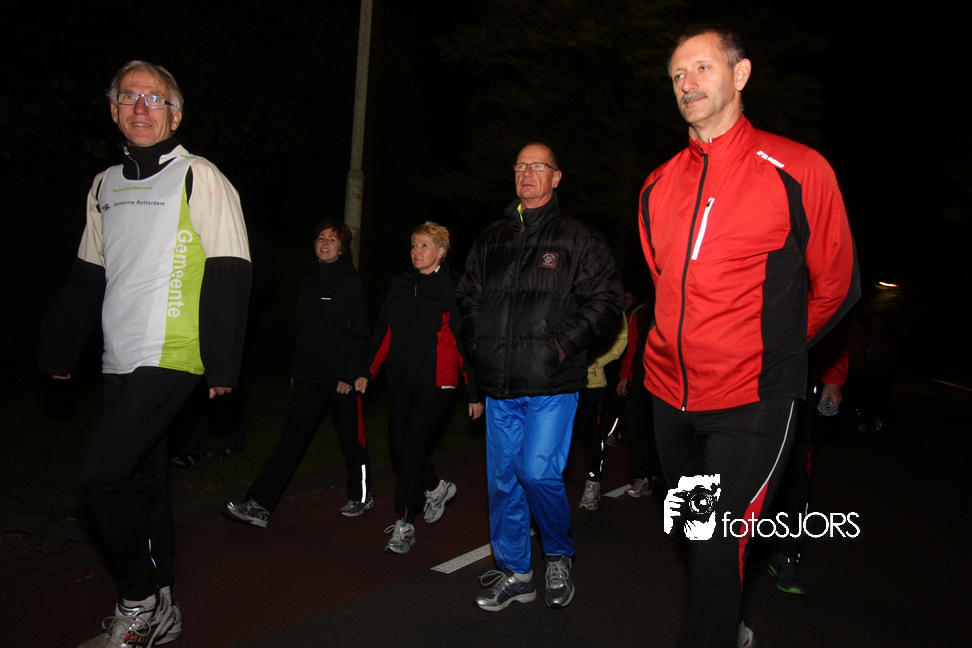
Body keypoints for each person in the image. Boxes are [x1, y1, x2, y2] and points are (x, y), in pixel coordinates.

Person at [637, 26, 860, 647]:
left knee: (716, 542)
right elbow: (664, 285)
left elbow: (836, 284)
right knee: (695, 533)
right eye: (677, 75)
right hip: (669, 397)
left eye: (702, 68)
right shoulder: (656, 185)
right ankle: (727, 623)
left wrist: (771, 348)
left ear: (740, 75)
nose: (687, 84)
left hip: (751, 398)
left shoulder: (799, 169)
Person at [37, 61, 252, 648]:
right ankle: (164, 605)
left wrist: (222, 360)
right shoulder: (104, 185)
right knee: (144, 483)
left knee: (100, 472)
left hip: (174, 352)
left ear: (174, 116)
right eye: (129, 97)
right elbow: (88, 272)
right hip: (118, 356)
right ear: (114, 111)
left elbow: (231, 265)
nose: (141, 107)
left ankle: (137, 601)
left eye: (155, 99)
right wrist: (61, 344)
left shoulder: (198, 176)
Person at [458, 143, 624, 611]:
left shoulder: (579, 238)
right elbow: (467, 296)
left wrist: (560, 345)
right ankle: (517, 573)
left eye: (538, 166)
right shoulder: (491, 240)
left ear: (556, 177)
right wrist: (479, 343)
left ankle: (557, 552)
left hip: (551, 382)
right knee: (503, 483)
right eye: (520, 166)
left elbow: (607, 300)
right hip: (500, 384)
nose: (527, 173)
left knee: (536, 473)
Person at [224, 219, 371, 528]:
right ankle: (260, 505)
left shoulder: (350, 283)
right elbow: (301, 331)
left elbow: (360, 333)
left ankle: (361, 495)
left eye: (332, 239)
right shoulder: (308, 281)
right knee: (290, 441)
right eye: (321, 238)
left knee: (352, 440)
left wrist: (350, 374)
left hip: (340, 379)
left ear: (342, 249)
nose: (325, 243)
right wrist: (296, 371)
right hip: (308, 376)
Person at [355, 221, 481, 553]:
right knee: (399, 448)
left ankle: (406, 522)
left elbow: (462, 340)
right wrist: (368, 370)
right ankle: (436, 487)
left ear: (441, 252)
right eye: (413, 245)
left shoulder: (452, 287)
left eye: (424, 245)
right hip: (401, 378)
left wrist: (473, 391)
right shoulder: (400, 284)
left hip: (437, 380)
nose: (416, 252)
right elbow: (385, 331)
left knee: (411, 447)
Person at [765, 331, 849, 595]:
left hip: (802, 380)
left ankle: (786, 555)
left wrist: (833, 380)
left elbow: (835, 323)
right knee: (753, 467)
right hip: (757, 375)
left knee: (796, 470)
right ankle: (754, 546)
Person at [574, 314, 627, 510]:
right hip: (562, 382)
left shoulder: (606, 299)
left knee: (589, 434)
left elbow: (621, 338)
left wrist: (596, 362)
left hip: (592, 382)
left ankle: (593, 482)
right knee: (556, 436)